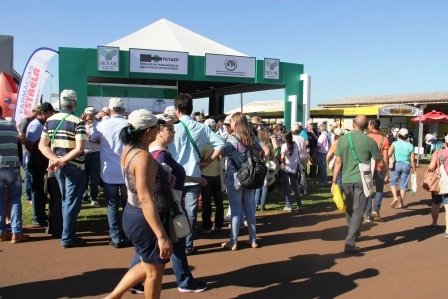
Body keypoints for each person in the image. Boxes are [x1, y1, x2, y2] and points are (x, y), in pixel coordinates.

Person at [105, 109, 172, 299]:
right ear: (148, 131)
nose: (158, 131)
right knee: (154, 272)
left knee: (146, 264)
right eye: (156, 127)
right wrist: (161, 235)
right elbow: (145, 198)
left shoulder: (128, 150)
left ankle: (112, 297)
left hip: (133, 213)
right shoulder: (143, 157)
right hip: (144, 218)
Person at [146, 113, 207, 293]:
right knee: (167, 244)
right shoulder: (160, 155)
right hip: (168, 206)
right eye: (170, 129)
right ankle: (184, 282)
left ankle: (184, 281)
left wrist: (194, 178)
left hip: (168, 204)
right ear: (158, 131)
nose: (173, 132)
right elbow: (159, 182)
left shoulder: (160, 152)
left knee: (156, 246)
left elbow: (172, 175)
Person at [167, 93, 224, 255]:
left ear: (177, 109)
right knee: (191, 212)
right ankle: (187, 245)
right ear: (191, 109)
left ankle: (176, 241)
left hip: (174, 176)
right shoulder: (202, 127)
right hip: (195, 174)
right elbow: (221, 144)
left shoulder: (172, 128)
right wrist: (207, 161)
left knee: (175, 210)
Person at [39, 89, 86, 248]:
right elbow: (79, 149)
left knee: (66, 200)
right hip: (74, 166)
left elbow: (42, 145)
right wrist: (62, 160)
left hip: (58, 167)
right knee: (71, 203)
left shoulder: (50, 120)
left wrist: (56, 160)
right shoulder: (78, 121)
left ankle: (68, 235)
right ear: (74, 103)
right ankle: (68, 237)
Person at [333, 115, 382, 254]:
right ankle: (350, 242)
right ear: (367, 126)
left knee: (350, 208)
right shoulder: (370, 141)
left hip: (346, 179)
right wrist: (384, 170)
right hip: (362, 179)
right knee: (359, 210)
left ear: (354, 124)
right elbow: (378, 159)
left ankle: (353, 231)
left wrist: (334, 180)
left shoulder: (342, 139)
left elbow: (338, 162)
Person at [91, 98, 129, 248]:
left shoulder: (102, 125)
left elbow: (93, 137)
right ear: (122, 109)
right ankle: (128, 235)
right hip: (126, 169)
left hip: (109, 171)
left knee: (112, 205)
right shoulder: (128, 124)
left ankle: (116, 238)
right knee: (128, 205)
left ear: (110, 109)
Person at [221, 112, 260, 250]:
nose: (229, 123)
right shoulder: (252, 137)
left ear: (236, 122)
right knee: (250, 209)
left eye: (231, 121)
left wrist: (241, 159)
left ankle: (233, 241)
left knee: (236, 211)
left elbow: (224, 151)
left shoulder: (232, 138)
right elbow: (263, 151)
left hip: (235, 177)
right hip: (250, 177)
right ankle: (253, 239)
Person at [0, 106, 30, 243]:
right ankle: (16, 232)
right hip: (12, 167)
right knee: (15, 199)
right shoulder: (11, 124)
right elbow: (10, 119)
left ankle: (2, 231)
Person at [25, 102, 56, 227]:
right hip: (36, 162)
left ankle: (41, 215)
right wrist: (36, 154)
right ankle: (37, 217)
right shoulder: (36, 125)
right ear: (43, 113)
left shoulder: (41, 124)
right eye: (50, 113)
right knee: (38, 190)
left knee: (42, 190)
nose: (51, 115)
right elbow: (29, 144)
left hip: (41, 162)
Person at [365, 119, 389, 222]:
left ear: (372, 126)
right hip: (380, 167)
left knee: (368, 190)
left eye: (369, 125)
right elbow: (385, 157)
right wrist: (386, 170)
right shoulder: (384, 139)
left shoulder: (366, 137)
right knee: (379, 189)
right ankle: (376, 210)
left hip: (367, 167)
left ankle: (369, 214)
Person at [388, 128, 416, 209]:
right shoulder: (410, 145)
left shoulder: (395, 143)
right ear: (407, 136)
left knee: (393, 182)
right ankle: (401, 203)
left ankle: (395, 197)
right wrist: (414, 170)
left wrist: (392, 156)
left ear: (398, 134)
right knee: (403, 184)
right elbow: (412, 159)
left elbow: (389, 153)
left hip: (396, 164)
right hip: (406, 165)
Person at [427, 135, 448, 236]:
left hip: (438, 181)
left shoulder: (438, 152)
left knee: (436, 203)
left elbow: (431, 166)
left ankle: (434, 223)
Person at [81, 106, 101, 208]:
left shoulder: (100, 125)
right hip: (84, 153)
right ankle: (84, 196)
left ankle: (93, 198)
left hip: (95, 153)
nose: (90, 116)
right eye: (88, 114)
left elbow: (103, 141)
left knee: (94, 178)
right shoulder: (81, 125)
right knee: (83, 177)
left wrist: (93, 139)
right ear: (85, 114)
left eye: (92, 114)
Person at [280, 131, 302, 212]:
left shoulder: (284, 146)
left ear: (285, 138)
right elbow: (297, 155)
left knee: (286, 187)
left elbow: (282, 157)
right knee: (295, 186)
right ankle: (299, 204)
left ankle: (288, 205)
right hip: (294, 167)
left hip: (285, 168)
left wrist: (283, 162)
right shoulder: (295, 145)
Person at [255, 127, 275, 211]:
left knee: (258, 186)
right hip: (266, 165)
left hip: (258, 165)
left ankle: (255, 205)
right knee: (264, 186)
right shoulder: (268, 144)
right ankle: (262, 206)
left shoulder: (257, 144)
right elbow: (272, 156)